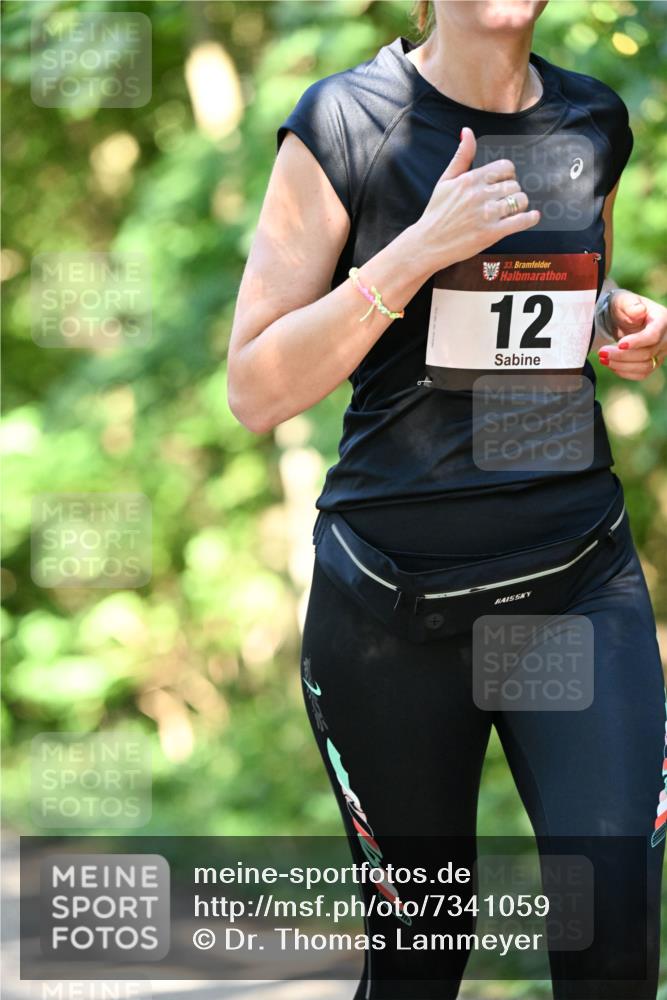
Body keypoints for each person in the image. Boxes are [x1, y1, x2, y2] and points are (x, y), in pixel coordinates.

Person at [227, 2, 667, 997]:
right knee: (424, 953)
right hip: (393, 603)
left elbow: (537, 297)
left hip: (570, 582)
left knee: (612, 937)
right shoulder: (346, 122)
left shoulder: (591, 120)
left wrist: (612, 310)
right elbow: (255, 388)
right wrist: (415, 247)